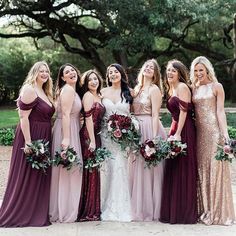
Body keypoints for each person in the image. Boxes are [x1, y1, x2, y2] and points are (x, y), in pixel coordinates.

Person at [0, 61, 54, 227]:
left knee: (39, 174)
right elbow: (23, 117)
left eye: (47, 71)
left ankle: (35, 211)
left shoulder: (45, 91)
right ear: (34, 72)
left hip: (44, 135)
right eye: (41, 71)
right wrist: (29, 143)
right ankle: (20, 213)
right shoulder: (30, 89)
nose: (44, 74)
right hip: (31, 135)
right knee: (26, 173)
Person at [190, 56, 235, 225]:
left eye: (201, 70)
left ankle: (218, 212)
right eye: (195, 70)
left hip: (214, 133)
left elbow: (220, 112)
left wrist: (225, 135)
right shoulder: (193, 88)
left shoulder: (217, 87)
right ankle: (205, 210)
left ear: (207, 70)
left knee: (216, 170)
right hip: (199, 134)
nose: (198, 73)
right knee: (202, 170)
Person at [159, 59, 198, 224]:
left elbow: (183, 113)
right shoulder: (171, 89)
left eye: (173, 71)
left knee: (183, 169)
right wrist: (171, 133)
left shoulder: (182, 87)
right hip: (175, 129)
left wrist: (179, 134)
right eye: (168, 70)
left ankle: (183, 213)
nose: (169, 73)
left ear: (179, 73)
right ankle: (172, 211)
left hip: (185, 130)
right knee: (174, 169)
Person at [129, 59, 166, 221]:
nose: (149, 68)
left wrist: (153, 137)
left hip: (149, 128)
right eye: (146, 66)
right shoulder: (137, 89)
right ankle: (136, 205)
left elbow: (156, 114)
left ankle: (150, 208)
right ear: (142, 69)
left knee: (149, 169)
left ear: (156, 73)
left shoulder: (154, 89)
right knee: (136, 167)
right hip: (135, 129)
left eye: (152, 68)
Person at [49, 63, 83, 223]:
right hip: (66, 130)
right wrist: (67, 138)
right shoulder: (68, 90)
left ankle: (65, 207)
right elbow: (67, 115)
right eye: (67, 72)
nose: (71, 72)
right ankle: (64, 209)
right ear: (62, 78)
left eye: (72, 70)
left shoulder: (72, 90)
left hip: (71, 128)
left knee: (69, 170)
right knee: (68, 169)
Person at [100, 63, 133, 221]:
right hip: (106, 135)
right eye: (110, 72)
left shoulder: (129, 92)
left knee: (120, 167)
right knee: (108, 168)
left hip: (123, 137)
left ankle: (121, 207)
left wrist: (129, 129)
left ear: (121, 73)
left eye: (116, 71)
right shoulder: (102, 92)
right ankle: (104, 204)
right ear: (108, 76)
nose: (113, 74)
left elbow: (134, 114)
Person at [77, 70, 105, 221]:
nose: (93, 82)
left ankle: (95, 207)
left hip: (97, 135)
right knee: (90, 171)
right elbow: (88, 119)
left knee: (95, 171)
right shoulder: (88, 96)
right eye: (90, 80)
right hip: (89, 136)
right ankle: (87, 209)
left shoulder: (99, 96)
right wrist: (93, 141)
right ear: (86, 84)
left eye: (95, 79)